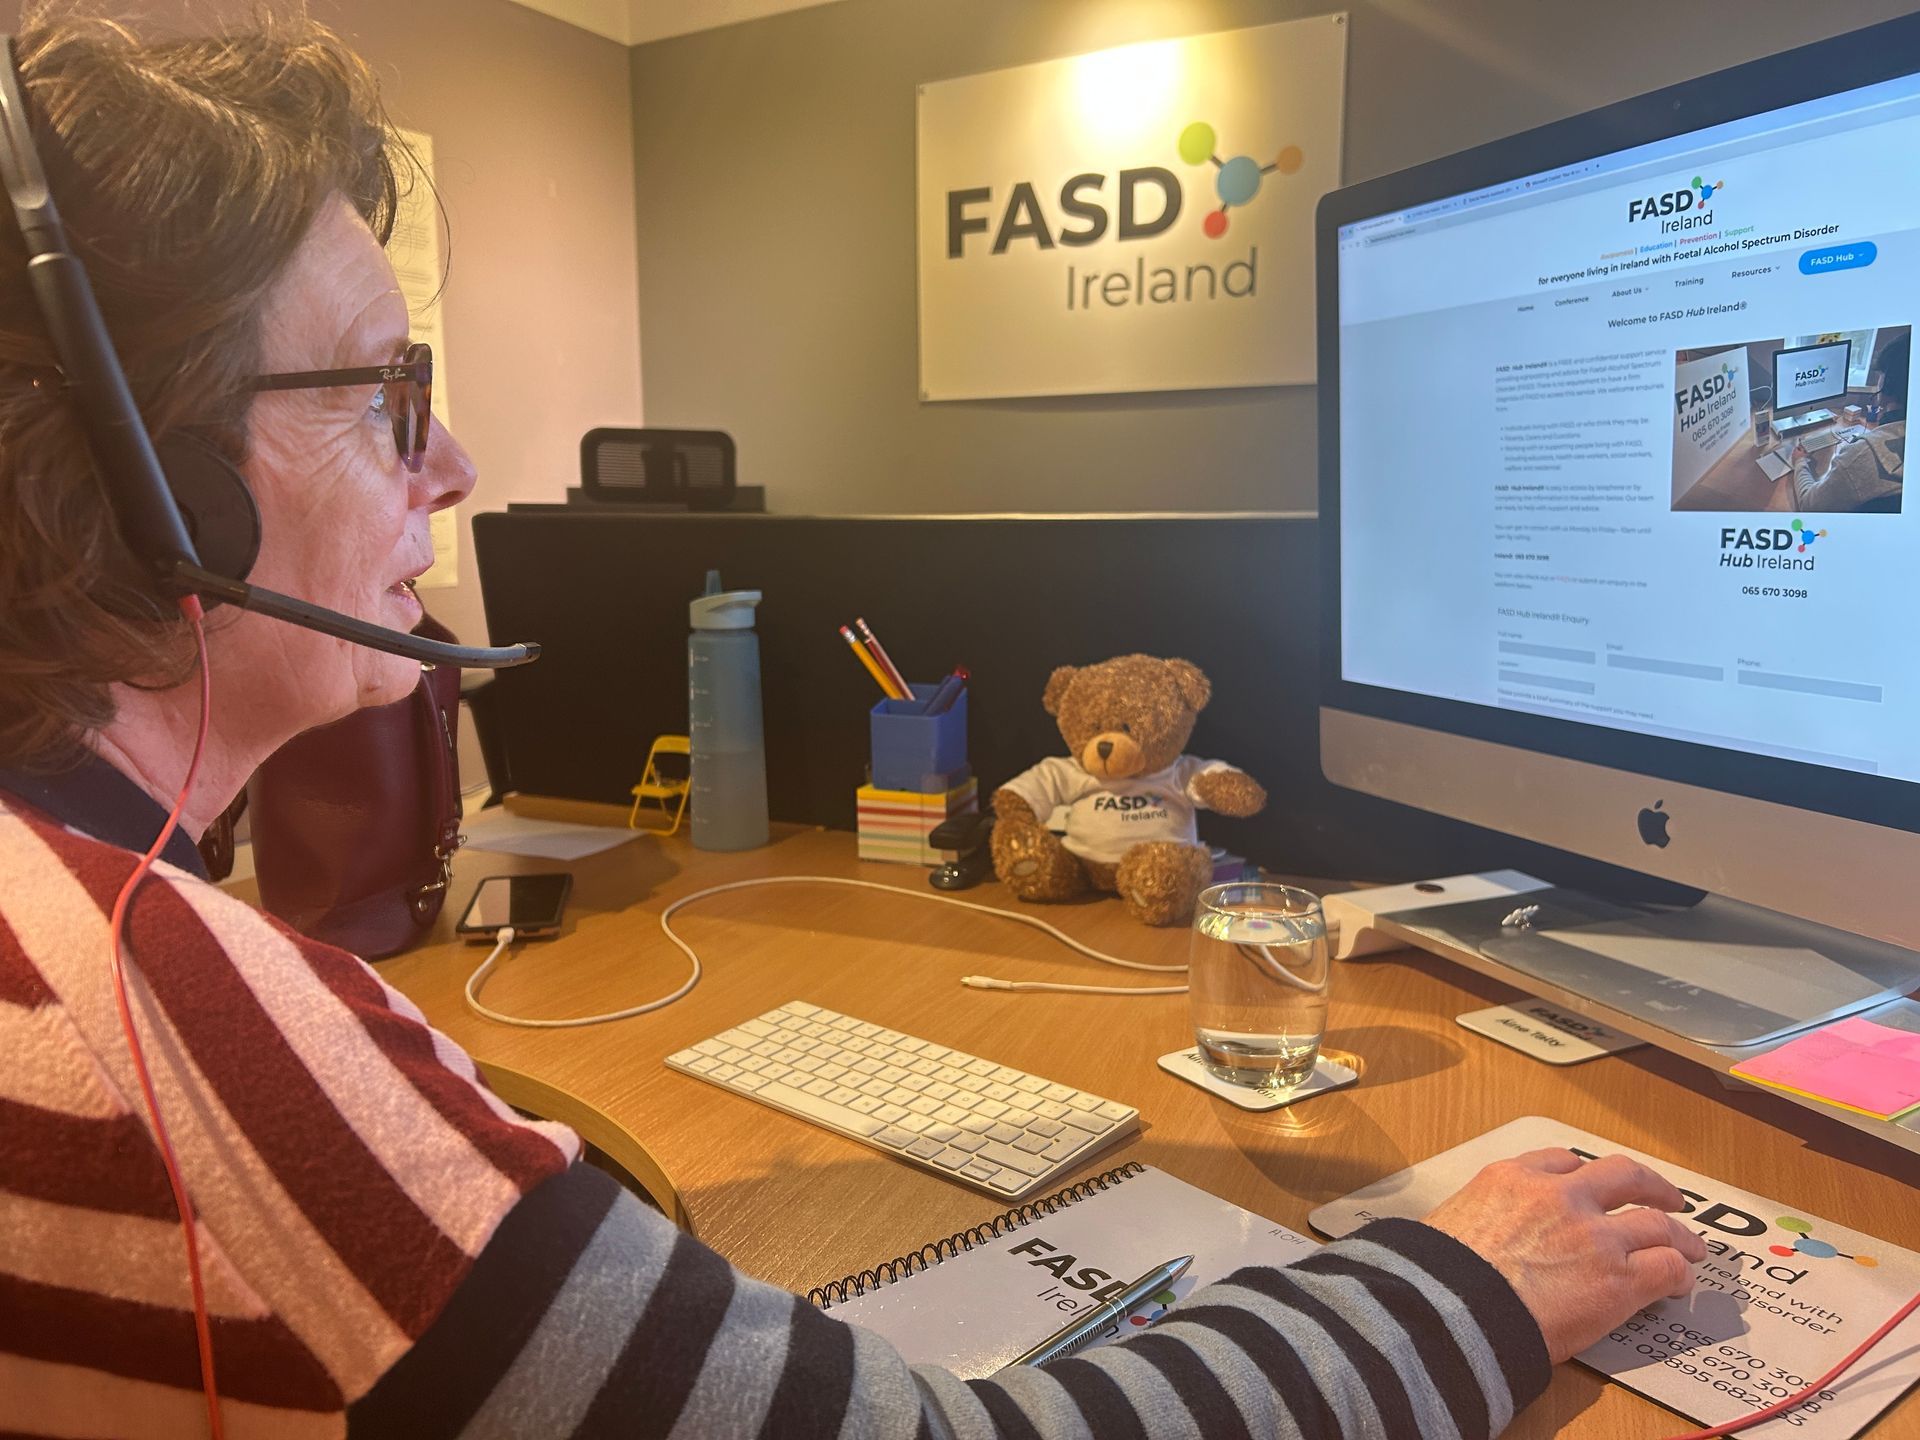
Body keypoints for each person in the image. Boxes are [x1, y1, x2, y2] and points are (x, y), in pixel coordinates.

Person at [0, 10, 1706, 1437]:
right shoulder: (153, 1021)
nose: (448, 470)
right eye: (388, 396)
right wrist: (1466, 1275)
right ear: (151, 487)